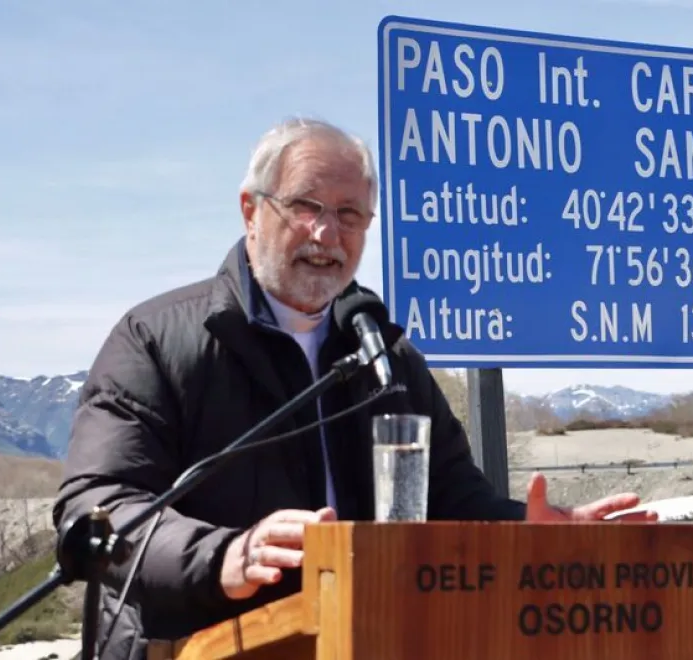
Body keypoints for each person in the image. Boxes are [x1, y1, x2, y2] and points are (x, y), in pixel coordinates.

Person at [52, 117, 658, 659]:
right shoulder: (156, 340)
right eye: (306, 206)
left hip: (362, 639)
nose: (326, 234)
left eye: (349, 215)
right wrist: (224, 557)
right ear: (250, 210)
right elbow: (98, 508)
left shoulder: (385, 361)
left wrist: (525, 533)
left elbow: (451, 500)